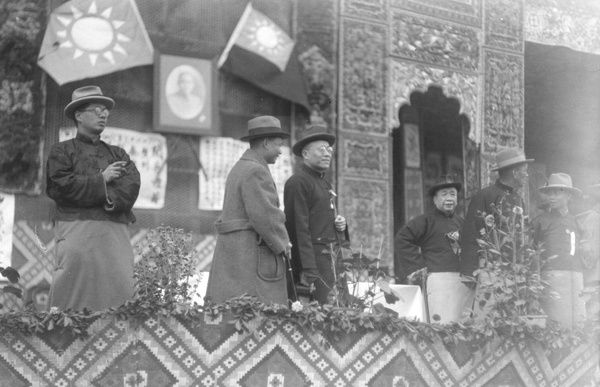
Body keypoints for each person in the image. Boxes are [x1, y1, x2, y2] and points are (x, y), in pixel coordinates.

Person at [46, 86, 141, 311]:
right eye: (97, 109)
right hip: (75, 230)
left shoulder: (118, 154)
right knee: (72, 288)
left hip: (114, 234)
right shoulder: (61, 152)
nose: (104, 114)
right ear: (79, 115)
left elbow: (130, 188)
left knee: (120, 287)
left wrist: (99, 190)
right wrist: (102, 179)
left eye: (106, 110)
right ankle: (64, 337)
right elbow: (60, 188)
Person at [205, 116, 291, 305]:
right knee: (258, 316)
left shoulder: (240, 167)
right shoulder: (256, 171)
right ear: (266, 143)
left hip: (235, 254)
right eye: (278, 145)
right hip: (250, 255)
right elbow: (266, 216)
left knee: (232, 312)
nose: (280, 151)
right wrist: (284, 243)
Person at [460, 148, 533, 316]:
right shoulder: (485, 196)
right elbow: (471, 232)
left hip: (516, 270)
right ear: (515, 172)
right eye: (525, 172)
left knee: (514, 316)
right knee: (489, 316)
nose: (526, 175)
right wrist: (469, 271)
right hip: (491, 268)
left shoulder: (518, 199)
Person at [394, 175, 473, 323]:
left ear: (457, 199)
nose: (449, 198)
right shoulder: (425, 221)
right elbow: (401, 239)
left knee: (462, 326)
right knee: (440, 326)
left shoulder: (462, 223)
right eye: (444, 194)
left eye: (452, 194)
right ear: (435, 200)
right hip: (439, 283)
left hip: (463, 284)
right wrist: (418, 267)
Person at [284, 125, 348, 304]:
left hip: (331, 261)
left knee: (340, 312)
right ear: (305, 154)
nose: (328, 153)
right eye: (321, 149)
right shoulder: (298, 182)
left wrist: (341, 225)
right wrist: (307, 269)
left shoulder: (325, 183)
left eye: (329, 149)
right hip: (314, 264)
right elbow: (298, 228)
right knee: (318, 313)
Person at [532, 173, 586, 328]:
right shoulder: (540, 221)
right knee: (554, 325)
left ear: (568, 195)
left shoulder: (575, 222)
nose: (552, 197)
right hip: (551, 280)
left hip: (575, 279)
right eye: (550, 193)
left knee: (576, 324)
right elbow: (531, 251)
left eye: (557, 193)